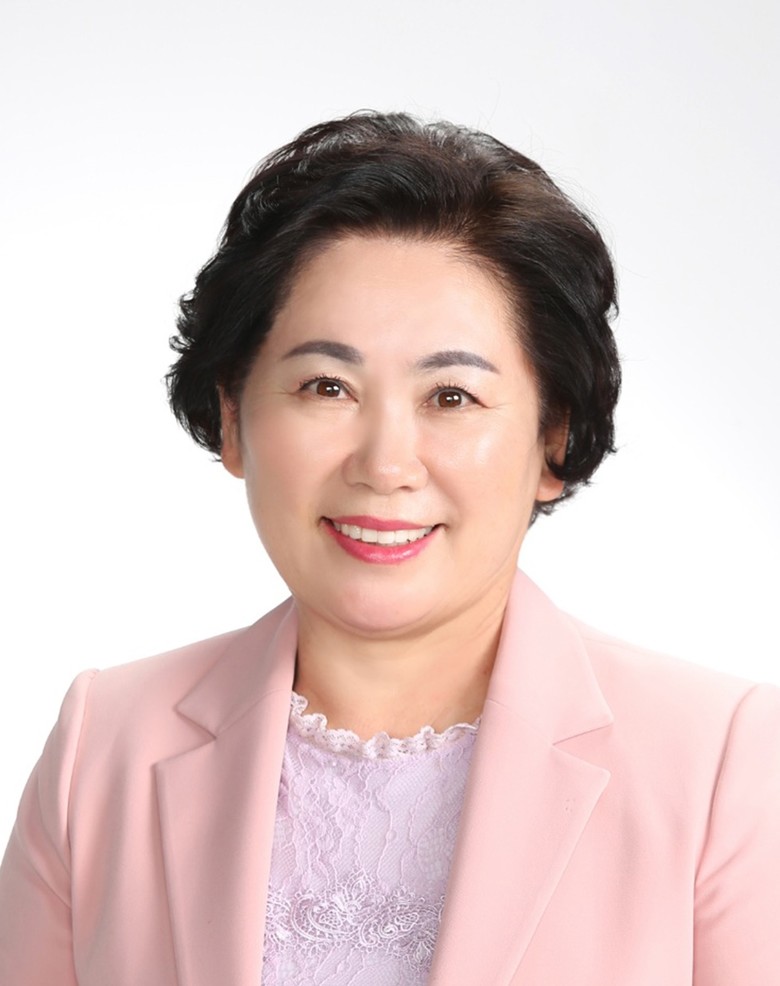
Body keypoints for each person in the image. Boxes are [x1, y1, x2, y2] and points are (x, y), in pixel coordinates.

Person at [0, 112, 778, 986]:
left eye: (451, 396)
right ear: (233, 420)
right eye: (326, 386)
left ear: (553, 440)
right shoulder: (104, 745)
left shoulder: (720, 763)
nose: (384, 464)